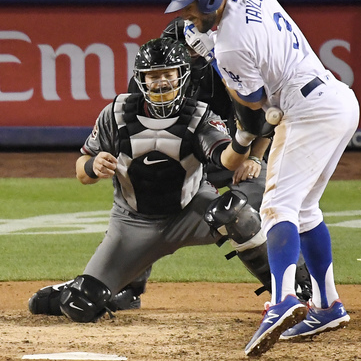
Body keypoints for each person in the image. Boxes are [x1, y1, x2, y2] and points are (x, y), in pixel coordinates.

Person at [138, 0, 359, 356]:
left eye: (189, 7)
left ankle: (281, 302)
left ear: (209, 0)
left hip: (306, 110)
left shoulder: (231, 46)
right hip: (338, 101)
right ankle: (328, 304)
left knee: (276, 208)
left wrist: (218, 63)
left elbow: (255, 108)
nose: (184, 15)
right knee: (305, 210)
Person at [28, 37, 275, 322]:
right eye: (153, 76)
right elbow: (81, 171)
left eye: (168, 74)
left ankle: (290, 292)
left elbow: (226, 160)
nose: (161, 83)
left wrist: (243, 137)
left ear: (182, 76)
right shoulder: (116, 114)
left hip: (191, 214)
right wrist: (94, 165)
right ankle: (82, 289)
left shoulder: (198, 115)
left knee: (235, 212)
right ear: (141, 80)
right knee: (80, 306)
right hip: (132, 224)